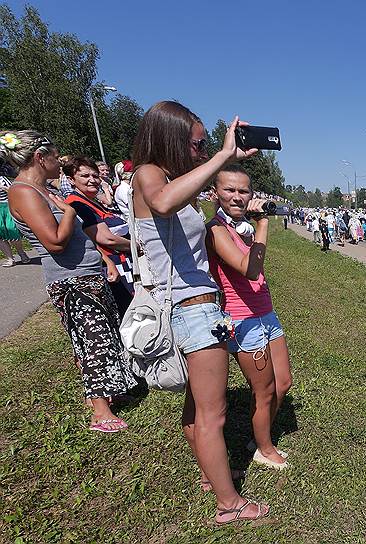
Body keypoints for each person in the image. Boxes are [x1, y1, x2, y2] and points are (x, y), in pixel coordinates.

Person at [131, 102, 269, 523]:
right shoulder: (148, 174)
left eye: (205, 143)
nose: (201, 149)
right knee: (214, 412)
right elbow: (163, 202)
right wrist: (222, 157)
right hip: (191, 309)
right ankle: (229, 503)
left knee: (197, 407)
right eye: (196, 143)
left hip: (196, 306)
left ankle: (214, 477)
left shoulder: (169, 177)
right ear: (170, 137)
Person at [5, 130, 136, 433]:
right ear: (40, 158)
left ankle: (110, 392)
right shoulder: (23, 191)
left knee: (104, 335)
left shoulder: (41, 189)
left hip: (86, 274)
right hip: (71, 280)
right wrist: (68, 210)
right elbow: (54, 242)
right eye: (54, 155)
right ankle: (100, 412)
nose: (58, 160)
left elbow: (79, 236)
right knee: (93, 340)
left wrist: (103, 260)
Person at [206, 164, 293, 472]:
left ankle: (260, 436)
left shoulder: (243, 228)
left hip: (265, 312)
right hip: (243, 320)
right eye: (230, 190)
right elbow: (249, 269)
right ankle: (264, 448)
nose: (237, 196)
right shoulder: (216, 229)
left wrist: (255, 227)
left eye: (244, 191)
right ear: (215, 193)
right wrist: (263, 226)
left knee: (283, 383)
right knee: (264, 390)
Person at [63, 156, 134, 317]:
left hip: (122, 266)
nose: (92, 180)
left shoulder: (91, 201)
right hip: (112, 269)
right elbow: (106, 238)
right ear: (71, 180)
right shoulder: (77, 204)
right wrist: (138, 248)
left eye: (95, 175)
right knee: (127, 313)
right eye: (85, 176)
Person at [0, 168, 31, 267]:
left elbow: (13, 190)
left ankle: (21, 253)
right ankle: (10, 259)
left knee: (12, 231)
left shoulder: (2, 179)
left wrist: (2, 187)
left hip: (6, 207)